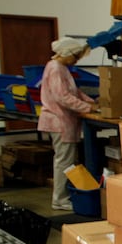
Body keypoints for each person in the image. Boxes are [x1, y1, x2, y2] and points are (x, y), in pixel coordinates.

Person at [37, 37, 99, 211]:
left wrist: (92, 102)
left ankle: (63, 196)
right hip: (59, 121)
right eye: (75, 56)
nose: (76, 60)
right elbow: (62, 97)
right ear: (66, 53)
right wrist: (88, 108)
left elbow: (75, 92)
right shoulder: (56, 68)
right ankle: (60, 199)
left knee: (65, 160)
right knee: (64, 161)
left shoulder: (61, 68)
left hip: (63, 120)